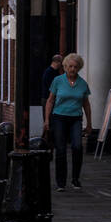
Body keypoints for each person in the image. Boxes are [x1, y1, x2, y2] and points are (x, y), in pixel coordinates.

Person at [45, 52, 93, 191]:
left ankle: (75, 179)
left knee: (77, 147)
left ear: (79, 68)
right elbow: (50, 100)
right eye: (70, 66)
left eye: (75, 67)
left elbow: (86, 104)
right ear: (65, 67)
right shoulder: (58, 81)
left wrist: (89, 123)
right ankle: (61, 182)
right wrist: (47, 119)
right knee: (60, 149)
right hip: (59, 117)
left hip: (75, 119)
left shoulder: (83, 84)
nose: (73, 69)